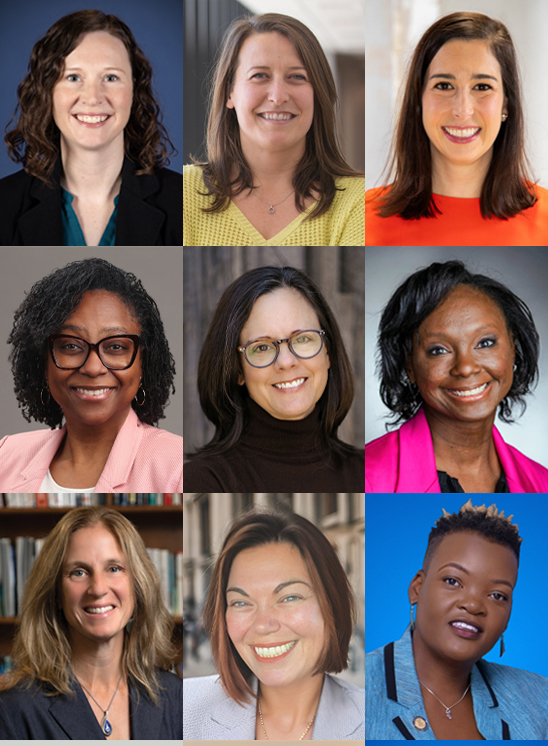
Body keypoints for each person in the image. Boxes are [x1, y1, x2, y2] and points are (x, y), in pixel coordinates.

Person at [366, 501, 547, 740]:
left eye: (497, 595)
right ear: (417, 588)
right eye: (453, 581)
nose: (473, 605)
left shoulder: (538, 697)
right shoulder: (362, 690)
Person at [0, 258, 182, 494]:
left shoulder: (176, 468)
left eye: (116, 347)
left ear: (142, 363)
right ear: (43, 360)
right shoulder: (5, 456)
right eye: (71, 346)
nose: (93, 368)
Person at [365, 12, 548, 246]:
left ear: (506, 104)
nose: (463, 110)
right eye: (444, 85)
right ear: (418, 101)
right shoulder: (362, 218)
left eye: (482, 86)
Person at [0, 10, 181, 246]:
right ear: (48, 91)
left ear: (134, 90)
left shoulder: (184, 202)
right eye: (73, 78)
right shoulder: (4, 203)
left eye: (111, 78)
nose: (93, 97)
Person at [0, 506, 182, 740]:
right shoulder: (13, 710)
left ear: (137, 587)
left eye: (114, 569)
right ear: (56, 594)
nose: (98, 588)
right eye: (79, 572)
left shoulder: (177, 696)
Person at [366, 260, 547, 493]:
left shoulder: (542, 482)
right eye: (438, 350)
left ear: (513, 348)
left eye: (485, 343)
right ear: (409, 365)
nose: (466, 368)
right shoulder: (368, 478)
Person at [184, 506, 364, 740]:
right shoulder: (186, 707)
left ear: (331, 603)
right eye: (240, 602)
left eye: (289, 597)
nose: (262, 624)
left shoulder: (372, 720)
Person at [184, 13, 364, 246]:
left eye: (297, 77)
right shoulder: (182, 191)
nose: (278, 97)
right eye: (259, 75)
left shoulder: (359, 201)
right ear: (230, 93)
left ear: (318, 94)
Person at [184, 265, 363, 492]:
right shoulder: (203, 481)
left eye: (302, 339)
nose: (286, 362)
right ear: (238, 370)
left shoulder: (370, 473)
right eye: (261, 348)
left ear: (327, 352)